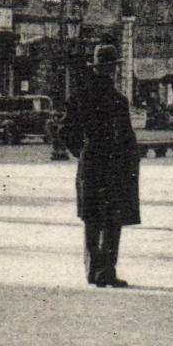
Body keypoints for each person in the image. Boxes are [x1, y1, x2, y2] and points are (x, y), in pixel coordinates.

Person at [60, 45, 141, 288]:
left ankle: (93, 270)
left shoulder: (80, 96)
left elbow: (65, 130)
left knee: (92, 219)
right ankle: (107, 270)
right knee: (112, 220)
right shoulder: (118, 100)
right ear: (112, 69)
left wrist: (81, 151)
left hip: (92, 165)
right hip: (114, 167)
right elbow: (127, 137)